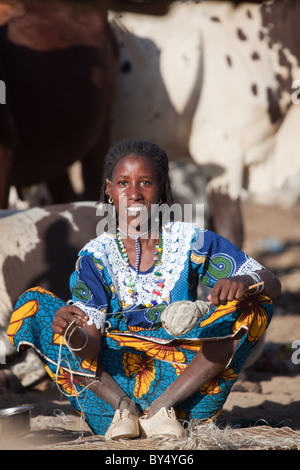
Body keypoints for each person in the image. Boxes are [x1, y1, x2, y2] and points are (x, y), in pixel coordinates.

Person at [7, 139, 281, 440]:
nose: (134, 194)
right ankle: (128, 411)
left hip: (186, 396)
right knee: (35, 306)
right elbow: (91, 347)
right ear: (110, 190)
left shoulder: (190, 241)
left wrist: (242, 282)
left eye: (145, 183)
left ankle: (160, 410)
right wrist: (71, 333)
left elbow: (271, 281)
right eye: (123, 183)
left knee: (255, 302)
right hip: (111, 398)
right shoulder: (96, 256)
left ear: (161, 187)